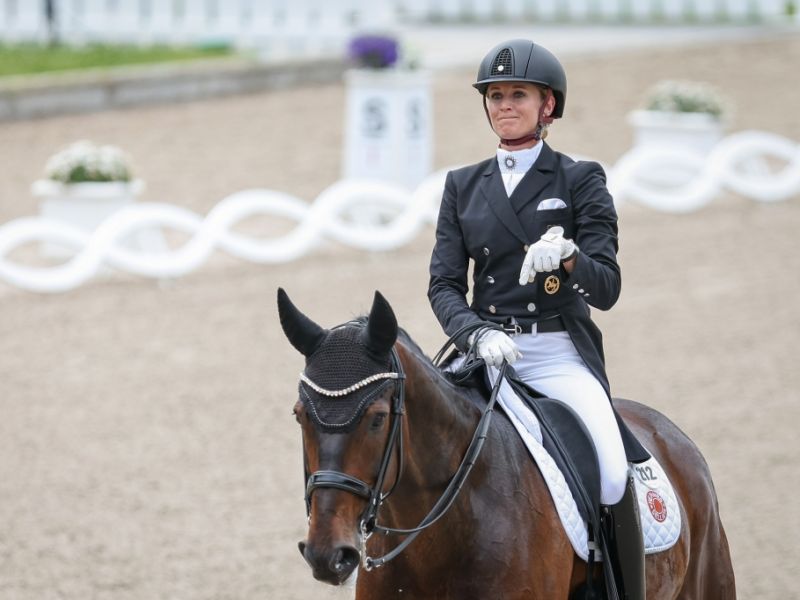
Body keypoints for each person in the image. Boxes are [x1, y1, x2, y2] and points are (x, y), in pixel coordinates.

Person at [427, 39, 645, 599]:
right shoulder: (462, 185)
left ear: (547, 105)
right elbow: (445, 284)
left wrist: (570, 258)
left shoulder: (579, 179)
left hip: (555, 354)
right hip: (486, 351)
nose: (504, 105)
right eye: (495, 96)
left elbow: (609, 288)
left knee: (613, 470)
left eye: (517, 94)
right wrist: (475, 332)